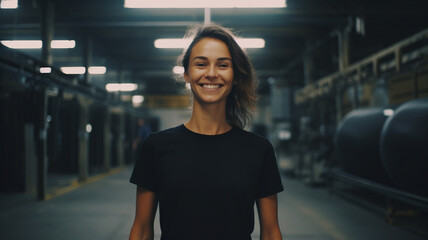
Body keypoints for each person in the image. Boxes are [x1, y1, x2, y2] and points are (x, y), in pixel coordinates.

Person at [129, 23, 284, 240]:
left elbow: (270, 232)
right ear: (186, 73)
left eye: (223, 65)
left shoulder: (258, 150)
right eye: (201, 64)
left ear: (235, 76)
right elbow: (142, 230)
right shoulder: (156, 147)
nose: (211, 74)